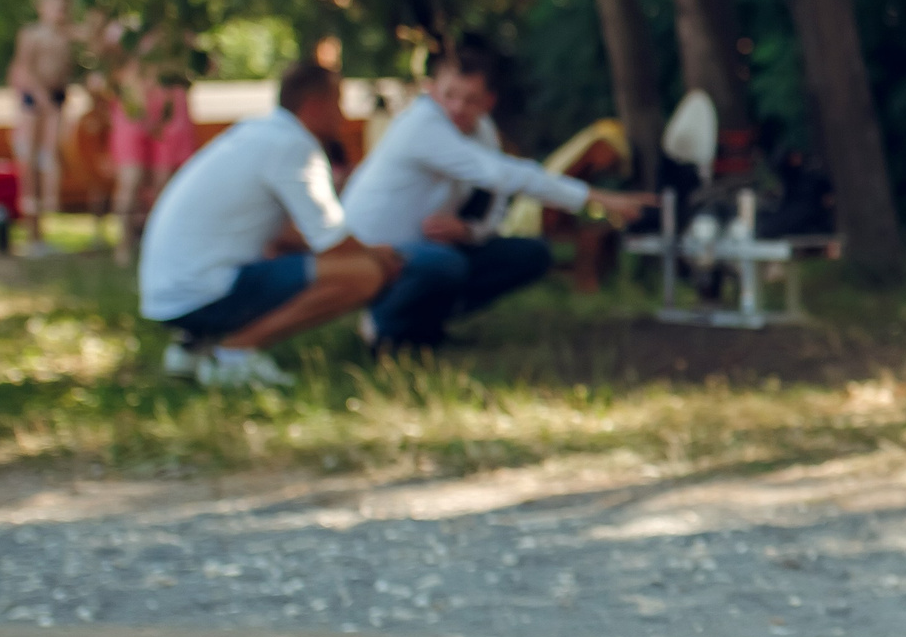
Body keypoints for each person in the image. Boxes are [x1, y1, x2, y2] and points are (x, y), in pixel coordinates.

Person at [339, 42, 650, 350]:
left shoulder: (482, 131)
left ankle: (423, 327)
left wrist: (469, 231)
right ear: (432, 90)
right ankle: (381, 329)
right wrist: (596, 198)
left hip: (427, 250)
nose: (458, 108)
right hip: (369, 250)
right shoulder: (421, 125)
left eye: (471, 99)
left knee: (530, 255)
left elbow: (495, 201)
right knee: (445, 263)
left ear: (488, 101)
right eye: (449, 95)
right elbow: (502, 174)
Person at [139, 62, 403, 389]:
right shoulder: (295, 146)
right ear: (315, 105)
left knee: (307, 262)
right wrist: (378, 255)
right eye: (338, 103)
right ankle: (236, 353)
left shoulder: (257, 133)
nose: (342, 115)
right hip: (202, 292)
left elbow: (288, 236)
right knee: (363, 273)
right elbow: (332, 240)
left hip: (169, 293)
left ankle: (193, 346)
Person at [105, 30, 198, 266]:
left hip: (168, 107)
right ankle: (123, 247)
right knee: (131, 179)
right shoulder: (126, 30)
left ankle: (160, 245)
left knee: (165, 184)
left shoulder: (179, 29)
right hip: (133, 107)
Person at [7, 0, 80, 255]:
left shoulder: (66, 35)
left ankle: (45, 222)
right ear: (42, 7)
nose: (60, 10)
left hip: (56, 99)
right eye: (54, 4)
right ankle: (32, 232)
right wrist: (42, 99)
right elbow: (23, 69)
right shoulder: (32, 34)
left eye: (63, 5)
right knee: (31, 161)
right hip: (35, 102)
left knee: (52, 158)